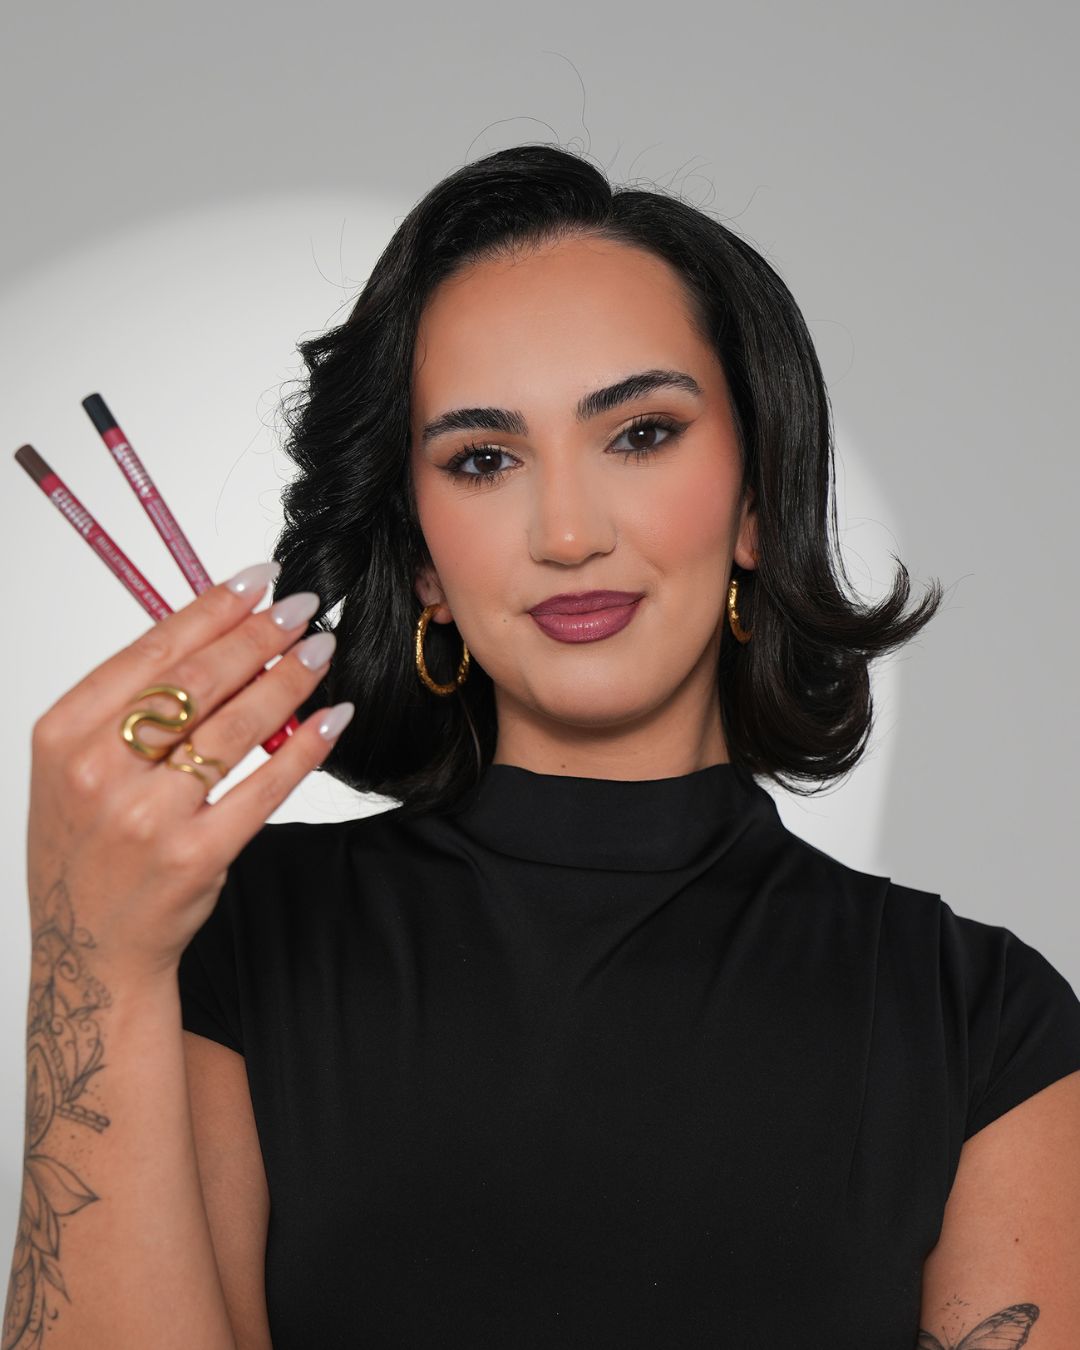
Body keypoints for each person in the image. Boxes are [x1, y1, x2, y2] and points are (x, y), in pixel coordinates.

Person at [7, 145, 1080, 1350]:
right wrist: (89, 951)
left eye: (642, 433)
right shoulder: (239, 948)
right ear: (423, 559)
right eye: (483, 460)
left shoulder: (984, 1024)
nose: (567, 533)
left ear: (755, 499)